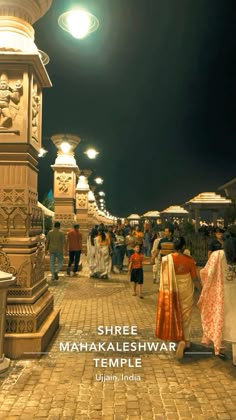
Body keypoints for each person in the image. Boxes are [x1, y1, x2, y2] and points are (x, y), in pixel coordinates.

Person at [156, 237, 201, 359]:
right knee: (185, 314)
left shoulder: (166, 260)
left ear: (173, 247)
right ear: (184, 246)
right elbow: (195, 278)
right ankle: (185, 340)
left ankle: (174, 339)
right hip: (185, 289)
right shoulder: (189, 260)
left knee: (172, 312)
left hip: (171, 290)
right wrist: (201, 290)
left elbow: (162, 278)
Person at [198, 232, 236, 365]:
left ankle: (220, 347)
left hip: (222, 293)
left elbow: (206, 272)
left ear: (223, 243)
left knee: (221, 320)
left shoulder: (217, 255)